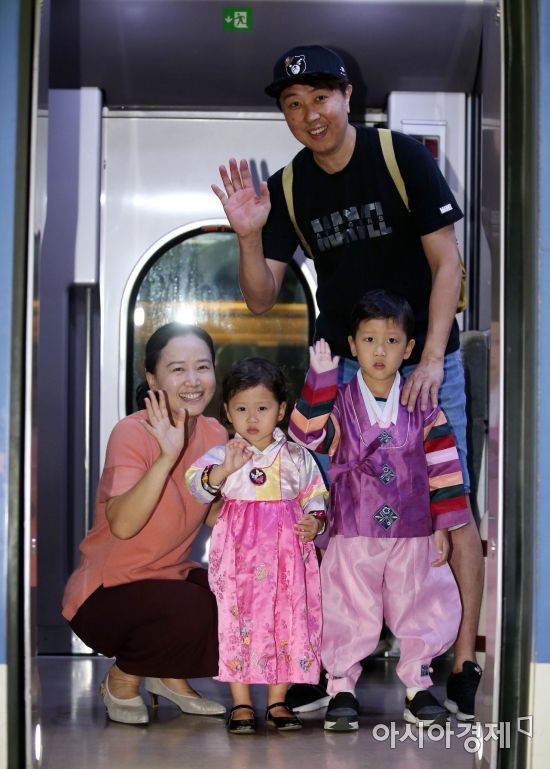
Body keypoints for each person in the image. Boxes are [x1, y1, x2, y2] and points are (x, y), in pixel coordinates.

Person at [211, 44, 484, 721]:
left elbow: (447, 263)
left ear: (347, 97)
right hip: (340, 371)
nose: (310, 114)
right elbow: (261, 298)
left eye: (321, 98)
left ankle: (459, 663)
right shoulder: (290, 187)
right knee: (324, 508)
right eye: (294, 104)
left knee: (450, 508)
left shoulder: (400, 157)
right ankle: (328, 665)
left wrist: (431, 358)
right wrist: (249, 236)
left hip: (421, 355)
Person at [288, 289, 468, 730]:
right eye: (369, 340)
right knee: (346, 605)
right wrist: (319, 380)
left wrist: (442, 526)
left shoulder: (424, 406)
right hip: (353, 530)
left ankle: (417, 685)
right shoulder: (339, 402)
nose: (380, 351)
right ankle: (341, 687)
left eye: (391, 341)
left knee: (418, 603)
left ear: (409, 348)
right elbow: (305, 437)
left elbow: (444, 467)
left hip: (413, 530)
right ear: (352, 345)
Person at [62, 323, 228, 725]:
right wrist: (167, 457)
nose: (193, 381)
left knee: (241, 593)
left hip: (169, 577)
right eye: (178, 369)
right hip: (106, 593)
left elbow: (212, 514)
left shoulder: (214, 433)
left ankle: (169, 676)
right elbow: (122, 525)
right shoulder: (132, 432)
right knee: (194, 607)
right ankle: (123, 678)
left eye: (202, 367)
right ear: (152, 379)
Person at [185, 357, 327, 734]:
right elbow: (196, 485)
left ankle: (278, 700)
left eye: (262, 408)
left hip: (286, 555)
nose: (251, 418)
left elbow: (316, 494)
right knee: (237, 620)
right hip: (237, 557)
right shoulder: (224, 455)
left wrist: (315, 520)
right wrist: (222, 471)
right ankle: (242, 703)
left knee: (287, 618)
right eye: (241, 409)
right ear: (227, 411)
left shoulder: (296, 456)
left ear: (280, 410)